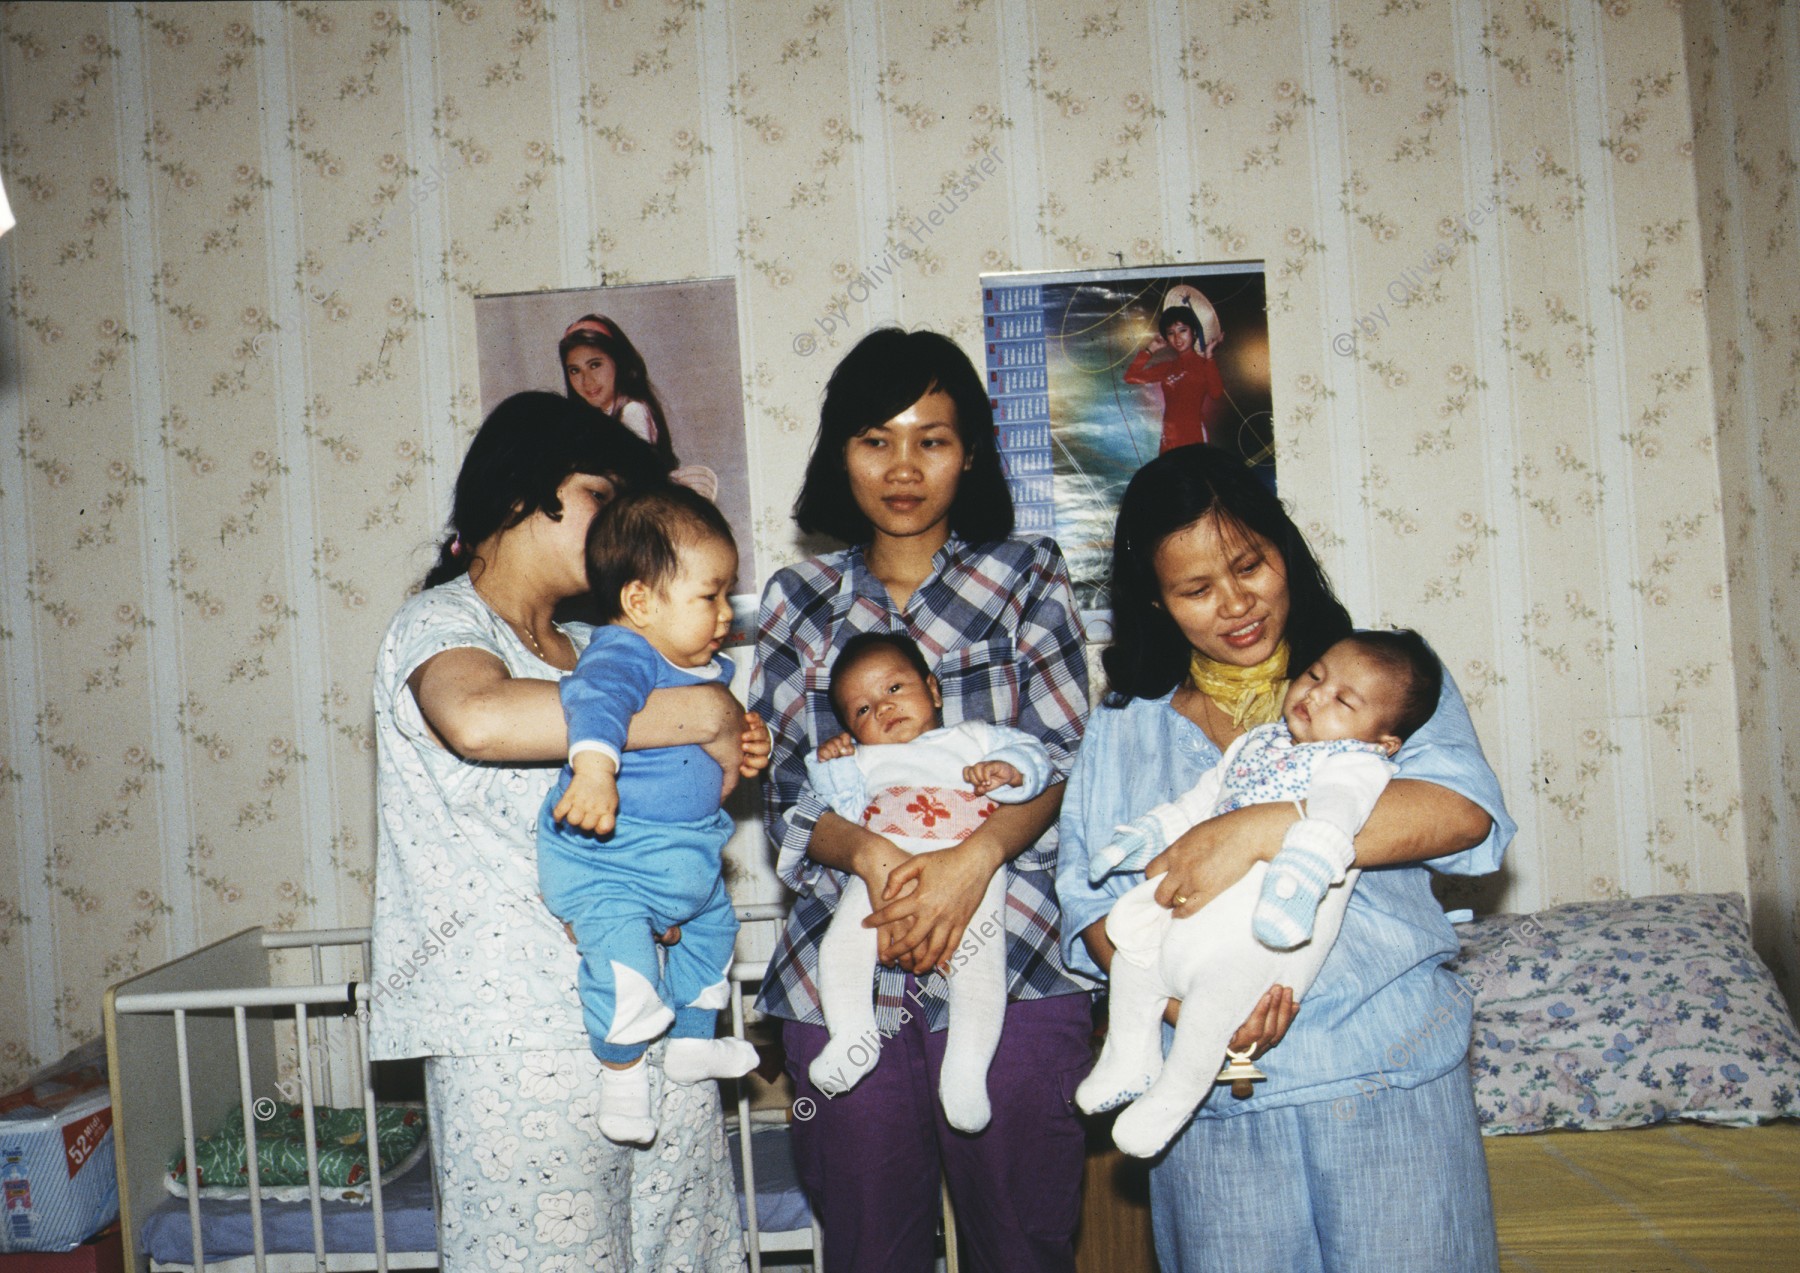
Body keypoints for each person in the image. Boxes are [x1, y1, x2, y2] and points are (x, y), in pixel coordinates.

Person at [1054, 444, 1514, 1273]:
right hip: (1216, 1107)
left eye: (1248, 565)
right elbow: (1094, 906)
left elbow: (1458, 810)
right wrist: (1191, 1012)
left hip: (1387, 1075)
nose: (1235, 603)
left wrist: (1261, 826)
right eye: (1196, 589)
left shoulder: (1377, 677)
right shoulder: (1123, 730)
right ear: (1156, 601)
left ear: (1284, 550)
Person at [369, 391, 765, 1271]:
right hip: (517, 1034)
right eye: (599, 492)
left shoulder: (599, 645)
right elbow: (476, 717)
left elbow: (689, 784)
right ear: (521, 494)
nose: (618, 520)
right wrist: (698, 708)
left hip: (644, 1002)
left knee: (678, 1247)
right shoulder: (443, 624)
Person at [749, 327, 1093, 1273]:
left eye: (932, 438)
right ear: (839, 452)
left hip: (1019, 955)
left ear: (970, 451)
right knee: (868, 1251)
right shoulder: (796, 599)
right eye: (875, 437)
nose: (904, 466)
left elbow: (1065, 762)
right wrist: (871, 856)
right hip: (842, 958)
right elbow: (784, 790)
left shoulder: (1028, 576)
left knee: (1024, 1246)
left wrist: (968, 863)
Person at [1077, 630, 1442, 1158]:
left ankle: (1173, 1099)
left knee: (1212, 1006)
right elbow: (1202, 799)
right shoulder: (1260, 743)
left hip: (1272, 921)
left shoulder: (1357, 765)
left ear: (1384, 740)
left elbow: (1334, 820)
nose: (1315, 695)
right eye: (1315, 676)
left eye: (1343, 700)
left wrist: (1304, 866)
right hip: (1198, 913)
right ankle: (1129, 1061)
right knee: (1134, 963)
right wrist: (1149, 834)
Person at [537, 486, 760, 1145]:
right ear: (640, 601)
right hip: (612, 864)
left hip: (683, 860)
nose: (725, 613)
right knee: (626, 967)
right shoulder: (622, 654)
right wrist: (596, 768)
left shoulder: (695, 667)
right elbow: (596, 702)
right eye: (709, 595)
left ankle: (693, 1040)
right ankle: (621, 1076)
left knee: (717, 933)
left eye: (727, 595)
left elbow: (711, 741)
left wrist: (753, 741)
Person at [802, 632, 1053, 1133]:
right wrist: (829, 765)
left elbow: (1039, 758)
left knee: (979, 972)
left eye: (895, 688)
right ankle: (855, 1036)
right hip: (883, 877)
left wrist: (1010, 769)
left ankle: (965, 1073)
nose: (884, 709)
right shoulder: (865, 759)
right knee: (840, 950)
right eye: (863, 710)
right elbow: (840, 809)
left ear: (933, 690)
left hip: (969, 875)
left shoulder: (975, 737)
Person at [560, 314, 719, 500]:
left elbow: (632, 482)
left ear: (618, 362)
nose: (586, 381)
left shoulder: (632, 411)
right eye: (574, 370)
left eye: (595, 365)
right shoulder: (596, 417)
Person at [1123, 304, 1225, 451]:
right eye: (1170, 333)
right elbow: (1130, 377)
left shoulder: (1205, 364)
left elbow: (1216, 393)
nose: (1177, 338)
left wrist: (1209, 357)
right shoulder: (1168, 367)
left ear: (1194, 332)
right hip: (1169, 439)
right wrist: (1150, 349)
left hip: (1194, 436)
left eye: (1182, 330)